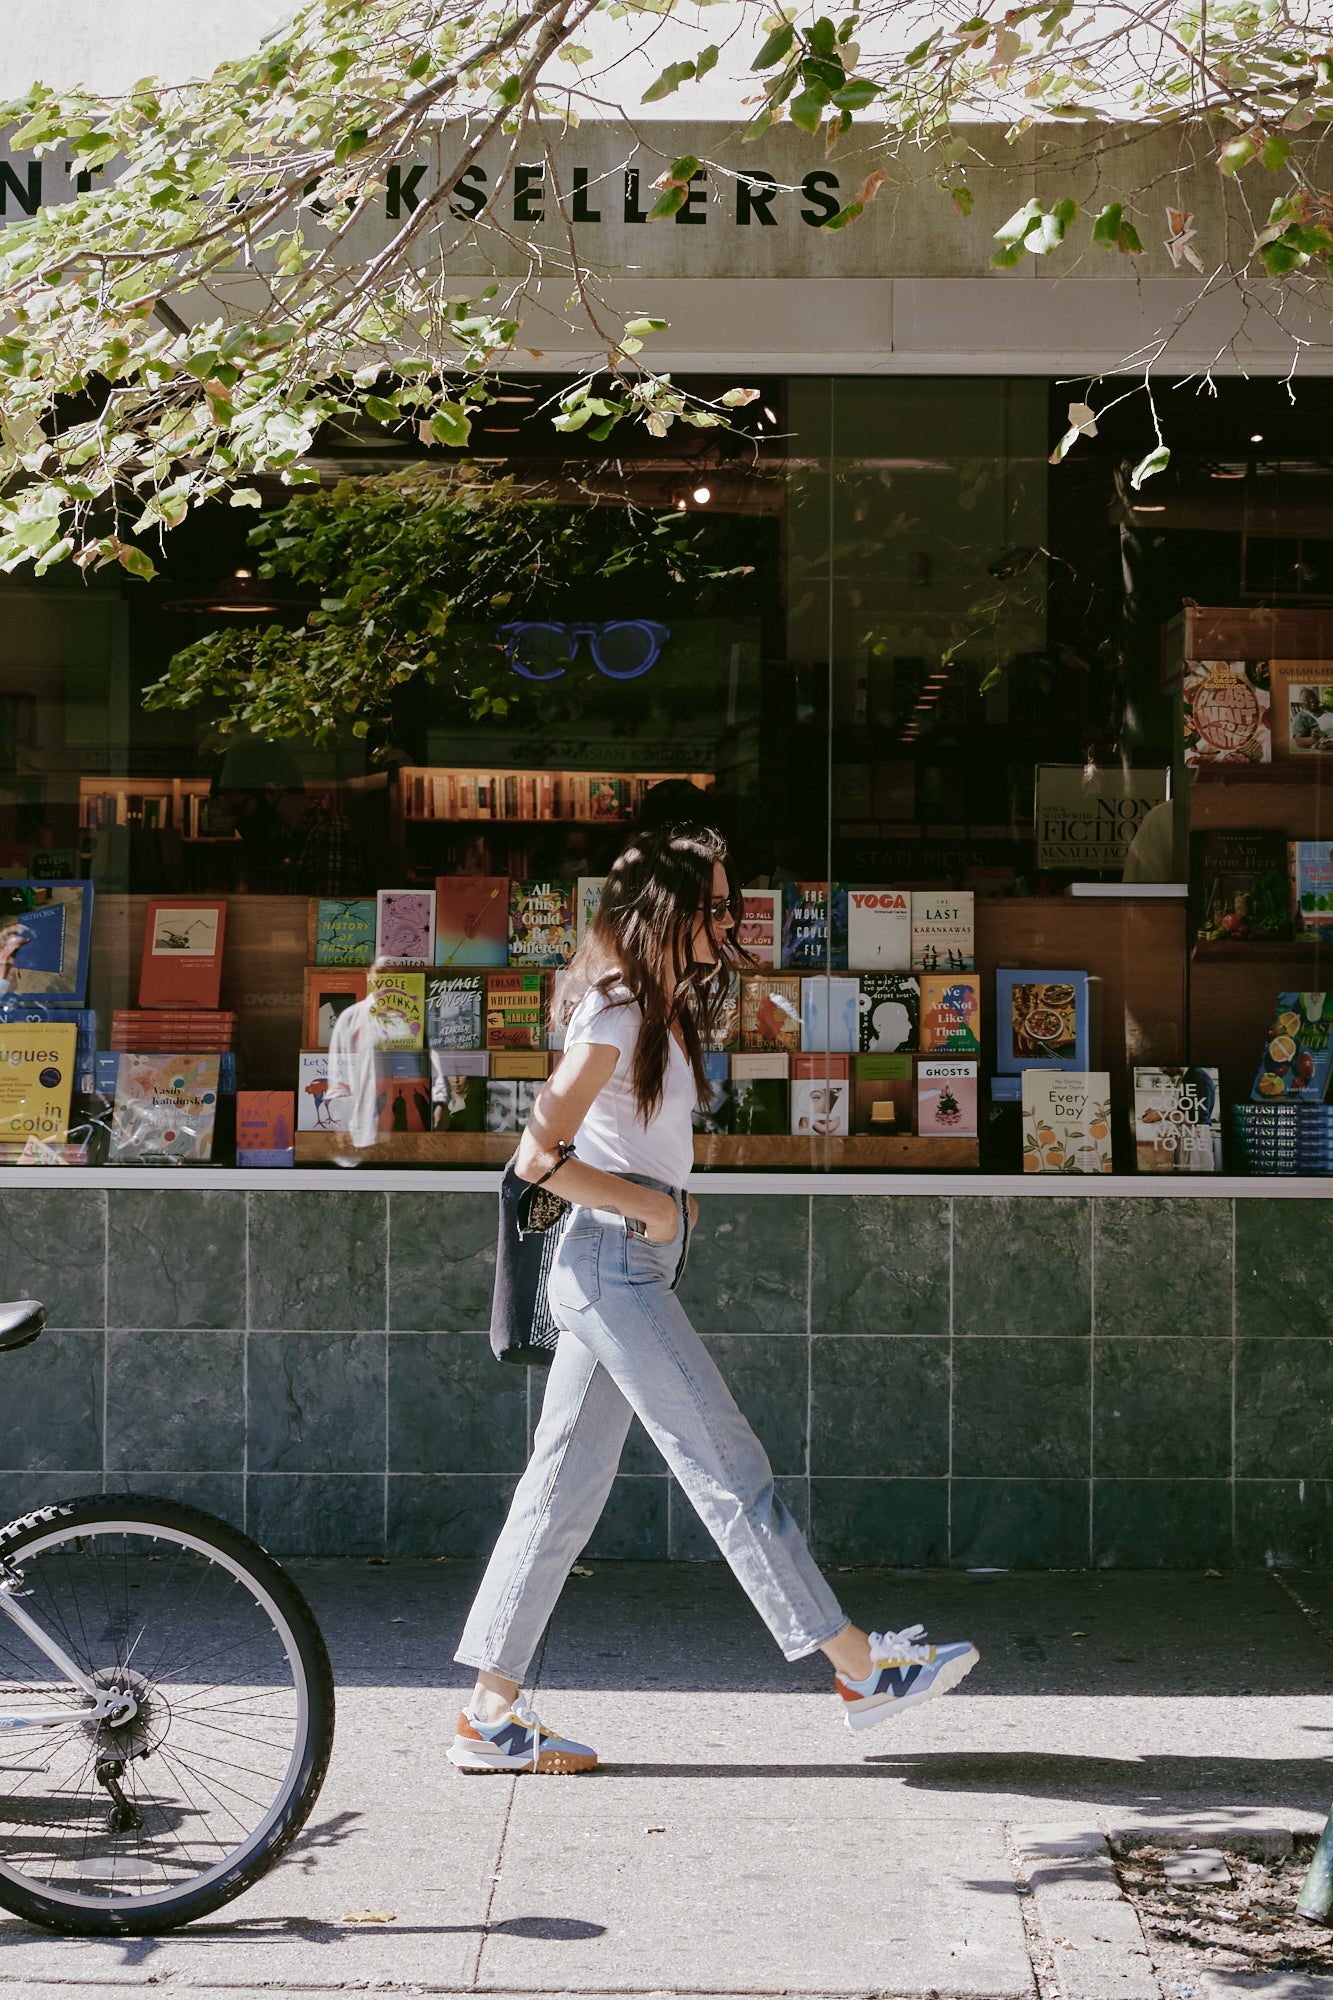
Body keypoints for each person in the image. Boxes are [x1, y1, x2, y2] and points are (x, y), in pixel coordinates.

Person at [447, 822, 978, 1776]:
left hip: (621, 1267)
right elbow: (535, 1159)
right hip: (611, 1269)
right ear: (668, 912)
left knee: (559, 1494)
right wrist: (651, 1204)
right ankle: (857, 1670)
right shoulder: (614, 1015)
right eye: (718, 903)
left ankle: (490, 1718)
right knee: (727, 1469)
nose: (732, 916)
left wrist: (663, 1206)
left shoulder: (649, 1004)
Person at [212, 738, 368, 895]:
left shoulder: (331, 834)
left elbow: (332, 916)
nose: (241, 822)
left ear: (271, 792)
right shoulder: (283, 841)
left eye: (241, 811)